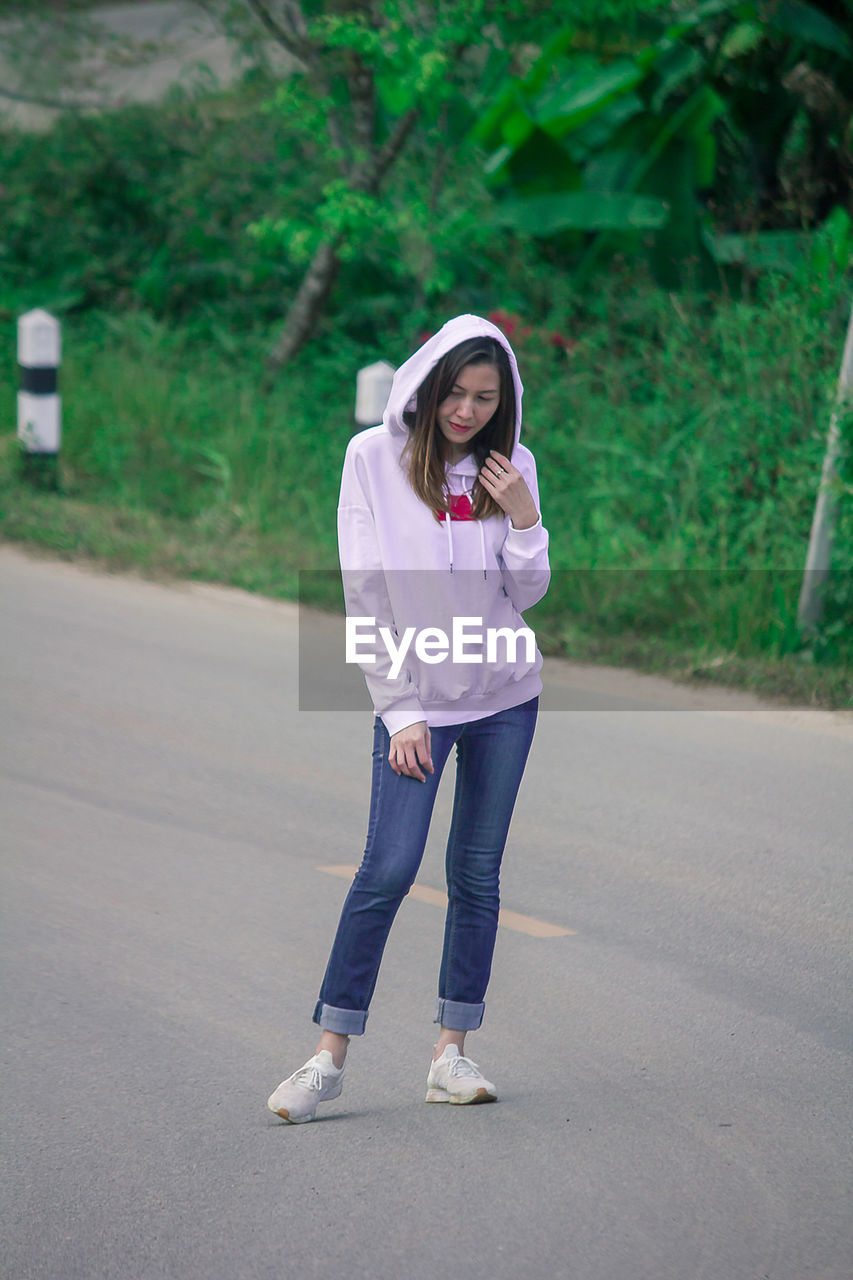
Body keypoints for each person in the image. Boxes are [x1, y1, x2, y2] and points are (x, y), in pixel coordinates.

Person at [267, 314, 550, 1123]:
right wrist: (399, 711)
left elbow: (526, 595)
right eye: (455, 393)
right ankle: (327, 1059)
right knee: (387, 869)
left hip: (505, 697)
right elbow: (367, 595)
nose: (466, 411)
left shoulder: (511, 466)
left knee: (476, 875)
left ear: (505, 402)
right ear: (428, 388)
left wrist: (523, 516)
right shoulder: (371, 460)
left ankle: (450, 1057)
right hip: (420, 705)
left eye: (485, 398)